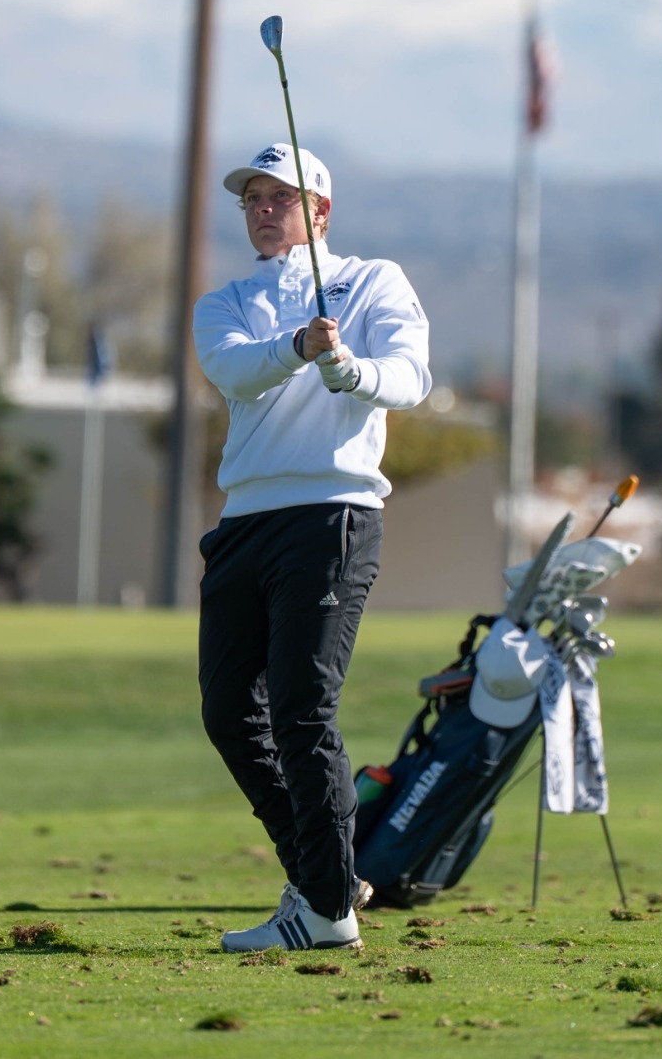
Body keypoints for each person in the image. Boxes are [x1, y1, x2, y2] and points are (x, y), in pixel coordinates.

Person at [194, 142, 431, 952]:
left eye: (280, 197)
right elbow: (231, 371)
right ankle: (324, 876)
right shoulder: (223, 301)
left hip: (332, 513)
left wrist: (351, 370)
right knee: (230, 713)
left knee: (302, 708)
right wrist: (300, 347)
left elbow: (411, 375)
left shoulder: (374, 281)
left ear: (320, 211)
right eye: (252, 199)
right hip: (244, 523)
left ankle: (327, 912)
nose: (262, 210)